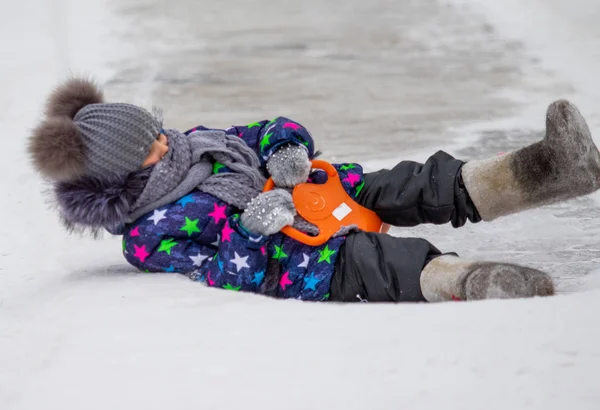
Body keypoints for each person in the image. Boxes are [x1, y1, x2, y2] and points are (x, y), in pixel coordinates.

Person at [28, 77, 600, 303]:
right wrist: (254, 225)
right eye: (148, 148)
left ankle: (542, 172)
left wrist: (286, 149)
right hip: (298, 257)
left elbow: (257, 130)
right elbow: (228, 269)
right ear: (121, 176)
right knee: (375, 262)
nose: (165, 142)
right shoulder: (149, 234)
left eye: (154, 130)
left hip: (320, 192)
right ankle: (473, 281)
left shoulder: (192, 142)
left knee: (404, 182)